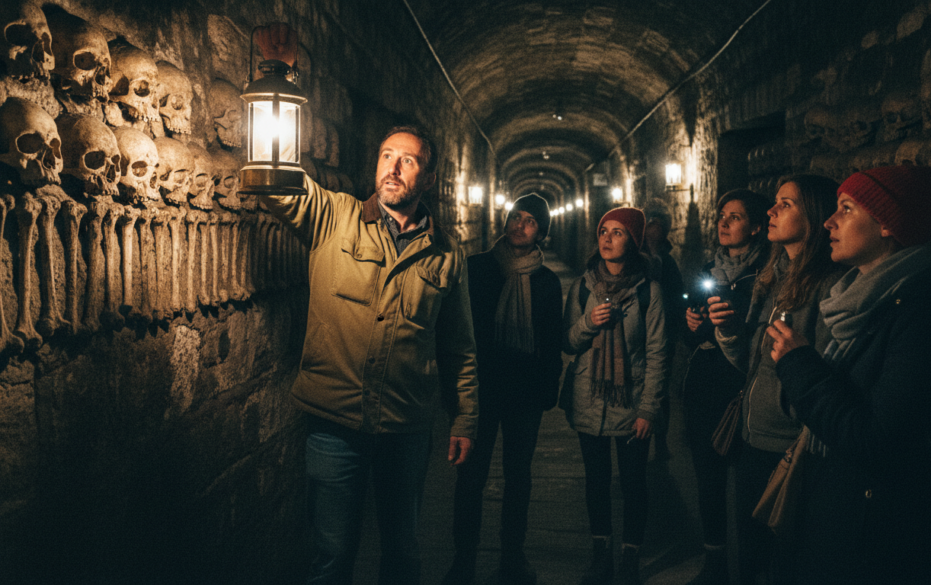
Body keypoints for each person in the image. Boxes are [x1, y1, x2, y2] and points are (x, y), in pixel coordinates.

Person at [261, 123, 479, 585]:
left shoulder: (445, 254)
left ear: (428, 177)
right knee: (332, 554)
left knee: (402, 552)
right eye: (386, 155)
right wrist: (273, 105)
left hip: (405, 426)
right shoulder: (333, 215)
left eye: (408, 160)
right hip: (335, 424)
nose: (393, 168)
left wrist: (464, 418)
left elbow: (459, 343)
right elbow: (275, 188)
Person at [768, 165, 931, 584]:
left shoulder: (929, 312)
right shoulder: (864, 301)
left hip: (884, 536)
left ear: (887, 225)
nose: (829, 222)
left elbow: (878, 439)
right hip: (850, 517)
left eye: (846, 209)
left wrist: (799, 364)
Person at [709, 175, 843, 584]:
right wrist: (730, 332)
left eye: (785, 205)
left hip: (789, 445)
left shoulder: (829, 285)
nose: (771, 210)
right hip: (753, 436)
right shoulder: (774, 276)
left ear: (815, 215)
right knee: (750, 556)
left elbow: (825, 373)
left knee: (788, 560)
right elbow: (754, 365)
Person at [442, 194, 563, 585]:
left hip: (524, 394)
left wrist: (548, 389)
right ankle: (464, 560)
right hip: (481, 389)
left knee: (518, 477)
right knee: (471, 477)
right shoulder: (477, 268)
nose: (519, 225)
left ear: (541, 231)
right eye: (516, 216)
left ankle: (513, 555)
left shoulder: (547, 282)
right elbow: (458, 331)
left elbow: (551, 339)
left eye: (530, 221)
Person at [562, 207, 669, 585]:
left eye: (618, 232)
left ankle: (630, 558)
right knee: (595, 480)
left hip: (630, 400)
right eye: (603, 231)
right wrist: (588, 324)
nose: (607, 238)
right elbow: (568, 342)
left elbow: (657, 353)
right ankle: (600, 554)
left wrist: (648, 410)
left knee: (634, 481)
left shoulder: (648, 293)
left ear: (634, 241)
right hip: (589, 398)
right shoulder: (582, 287)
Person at [681, 189, 770, 585]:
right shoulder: (708, 268)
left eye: (735, 217)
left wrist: (733, 326)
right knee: (708, 478)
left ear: (755, 226)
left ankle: (756, 566)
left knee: (753, 482)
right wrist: (692, 326)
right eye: (722, 215)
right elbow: (688, 332)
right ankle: (714, 560)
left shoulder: (767, 272)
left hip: (743, 386)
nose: (724, 222)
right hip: (704, 386)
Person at [642, 202, 685, 461]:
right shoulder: (634, 256)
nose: (654, 231)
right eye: (650, 225)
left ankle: (660, 441)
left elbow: (677, 292)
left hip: (664, 331)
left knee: (660, 388)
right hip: (640, 330)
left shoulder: (667, 260)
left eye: (659, 227)